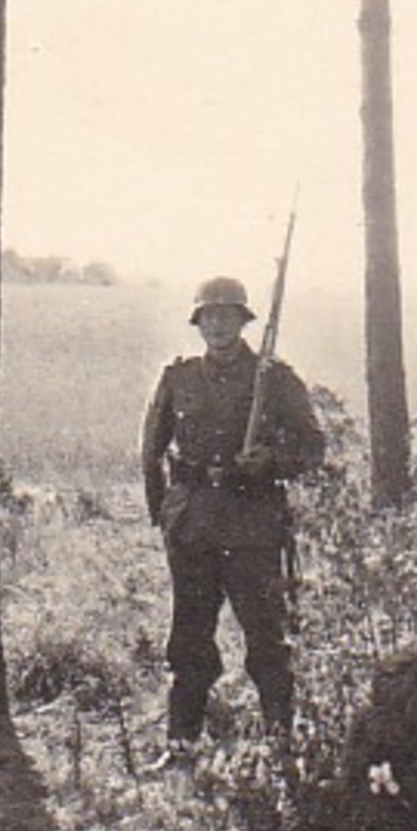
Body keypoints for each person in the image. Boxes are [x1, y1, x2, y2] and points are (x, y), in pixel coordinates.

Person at [140, 276, 326, 770]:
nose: (218, 325)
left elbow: (313, 447)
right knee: (189, 640)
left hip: (252, 526)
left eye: (228, 315)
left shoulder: (275, 378)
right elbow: (151, 450)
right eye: (208, 316)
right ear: (198, 323)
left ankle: (281, 745)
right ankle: (181, 746)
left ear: (244, 321)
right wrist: (163, 512)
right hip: (194, 526)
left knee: (266, 639)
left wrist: (269, 460)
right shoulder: (178, 377)